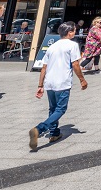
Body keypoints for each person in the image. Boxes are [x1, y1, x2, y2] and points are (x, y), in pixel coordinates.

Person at [29, 21, 88, 149]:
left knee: (53, 108)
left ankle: (54, 133)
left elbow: (44, 67)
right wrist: (82, 79)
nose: (75, 32)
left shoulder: (52, 47)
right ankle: (39, 129)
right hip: (62, 82)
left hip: (49, 82)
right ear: (70, 32)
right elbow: (75, 64)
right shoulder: (72, 45)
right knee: (61, 109)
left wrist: (40, 85)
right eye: (74, 30)